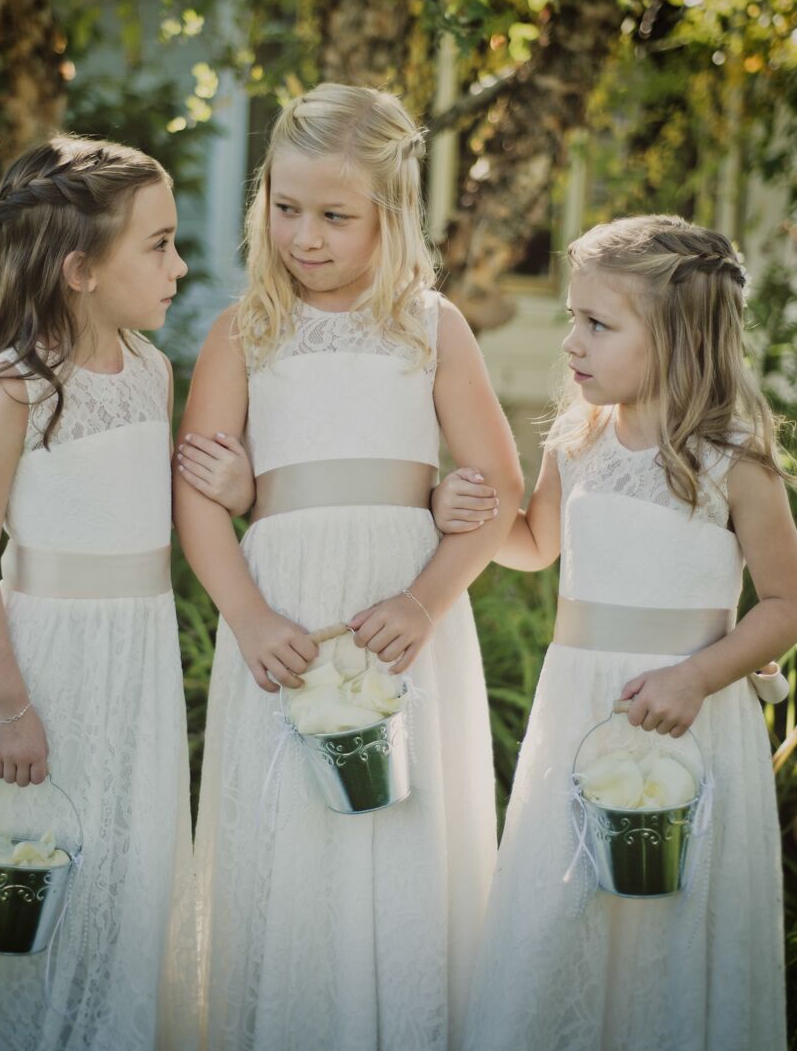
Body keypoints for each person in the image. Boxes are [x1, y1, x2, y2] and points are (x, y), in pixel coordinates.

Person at [174, 82, 524, 1051]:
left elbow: (494, 486)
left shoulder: (431, 327)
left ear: (391, 215)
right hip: (284, 616)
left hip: (398, 618)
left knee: (401, 840)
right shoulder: (242, 332)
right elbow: (198, 497)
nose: (305, 236)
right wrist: (244, 616)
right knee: (288, 840)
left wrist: (421, 602)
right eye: (286, 209)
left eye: (335, 215)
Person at [432, 215, 795, 1050]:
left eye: (596, 324)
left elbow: (784, 600)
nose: (571, 342)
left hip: (684, 719)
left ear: (674, 337)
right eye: (570, 317)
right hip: (582, 718)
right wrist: (458, 510)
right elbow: (529, 547)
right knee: (562, 915)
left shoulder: (731, 457)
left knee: (672, 919)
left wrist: (695, 678)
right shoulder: (579, 442)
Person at [0, 136, 199, 1051]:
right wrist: (7, 706)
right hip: (47, 669)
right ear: (79, 268)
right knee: (33, 866)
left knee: (122, 861)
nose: (178, 266)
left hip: (137, 658)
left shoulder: (152, 371)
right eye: (156, 245)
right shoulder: (16, 388)